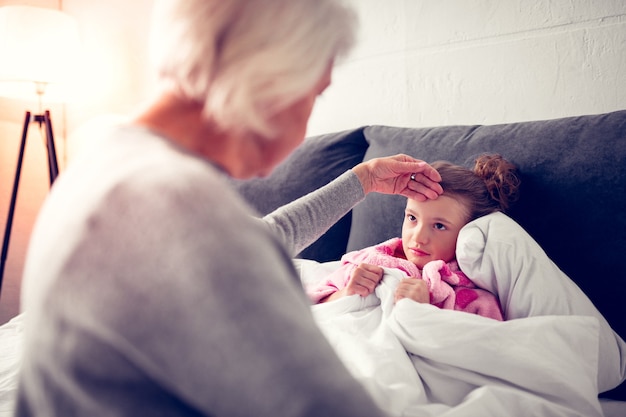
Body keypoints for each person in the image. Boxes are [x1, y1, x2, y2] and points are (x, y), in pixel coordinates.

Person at [13, 1, 443, 417]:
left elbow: (256, 239)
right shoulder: (177, 206)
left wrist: (362, 180)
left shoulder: (103, 156)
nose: (306, 123)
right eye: (315, 94)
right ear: (270, 78)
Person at [309, 155, 521, 321]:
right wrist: (347, 293)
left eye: (439, 226)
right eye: (412, 217)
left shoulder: (473, 298)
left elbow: (483, 348)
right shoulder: (367, 262)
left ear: (467, 233)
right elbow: (314, 307)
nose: (418, 237)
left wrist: (425, 312)